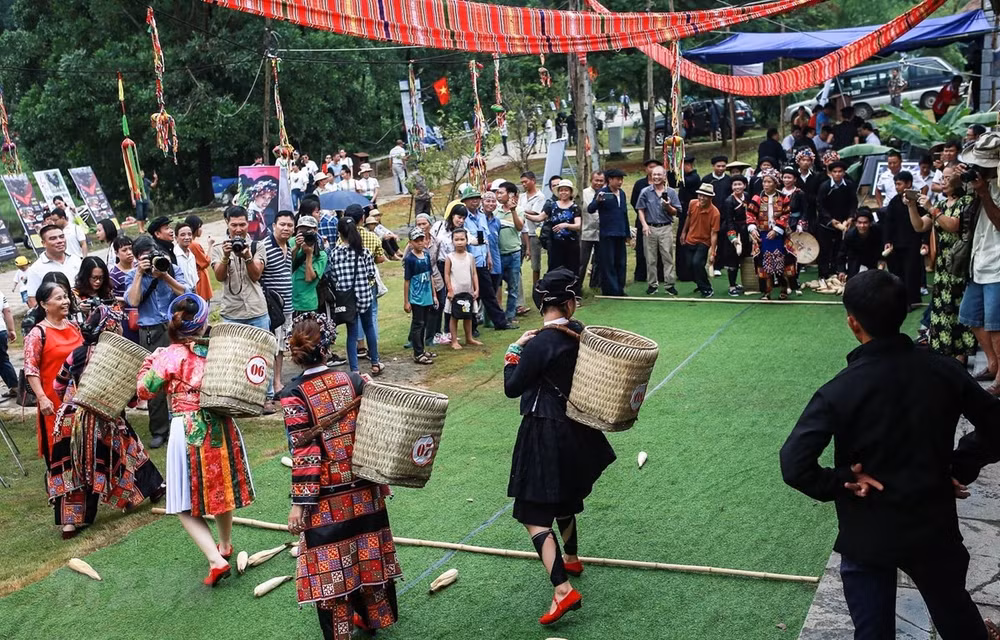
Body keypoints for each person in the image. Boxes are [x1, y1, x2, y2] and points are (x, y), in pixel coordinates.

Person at [780, 269, 1000, 640]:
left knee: (872, 631)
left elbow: (794, 464)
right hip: (933, 523)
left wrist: (842, 480)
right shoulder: (944, 369)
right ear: (904, 313)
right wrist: (960, 464)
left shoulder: (840, 390)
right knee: (957, 617)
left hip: (867, 533)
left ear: (853, 323)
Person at [503, 267, 615, 626]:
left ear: (542, 304)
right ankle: (572, 557)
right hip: (575, 430)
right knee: (563, 497)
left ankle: (563, 589)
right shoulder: (580, 335)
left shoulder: (538, 344)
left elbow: (512, 387)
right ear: (568, 303)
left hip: (543, 430)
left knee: (532, 514)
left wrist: (513, 350)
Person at [280, 315, 402, 640]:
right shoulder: (353, 381)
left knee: (330, 568)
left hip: (326, 499)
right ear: (328, 346)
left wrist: (298, 505)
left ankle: (341, 632)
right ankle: (373, 619)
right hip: (364, 487)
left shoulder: (294, 395)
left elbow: (306, 453)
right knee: (367, 553)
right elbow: (375, 428)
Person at [138, 294, 255, 586]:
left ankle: (216, 561)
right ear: (202, 324)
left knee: (182, 503)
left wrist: (147, 364)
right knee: (220, 490)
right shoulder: (217, 350)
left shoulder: (167, 356)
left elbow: (144, 391)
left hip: (186, 428)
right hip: (220, 424)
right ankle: (225, 546)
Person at [46, 306, 164, 538]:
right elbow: (131, 399)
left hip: (70, 420)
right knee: (128, 450)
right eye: (117, 324)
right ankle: (146, 491)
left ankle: (70, 524)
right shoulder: (121, 357)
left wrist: (72, 404)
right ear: (110, 328)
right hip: (102, 419)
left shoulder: (77, 354)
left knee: (71, 468)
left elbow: (59, 385)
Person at [23, 282, 85, 537]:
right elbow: (30, 369)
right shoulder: (37, 334)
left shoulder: (73, 326)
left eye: (66, 297)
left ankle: (88, 509)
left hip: (80, 403)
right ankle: (68, 519)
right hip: (54, 409)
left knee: (83, 454)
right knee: (62, 461)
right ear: (43, 304)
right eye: (58, 298)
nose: (65, 302)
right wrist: (42, 398)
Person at [124, 235, 190, 448]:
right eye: (145, 257)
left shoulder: (169, 267)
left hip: (174, 327)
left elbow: (186, 294)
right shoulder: (135, 275)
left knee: (182, 378)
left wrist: (164, 275)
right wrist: (139, 274)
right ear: (136, 259)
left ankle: (185, 426)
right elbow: (132, 301)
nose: (151, 259)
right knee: (154, 380)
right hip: (150, 330)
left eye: (153, 254)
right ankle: (160, 429)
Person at [907, 171, 976, 359]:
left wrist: (931, 208)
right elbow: (920, 226)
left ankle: (960, 355)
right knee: (941, 309)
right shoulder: (941, 204)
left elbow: (953, 225)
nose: (942, 181)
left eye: (946, 177)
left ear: (958, 179)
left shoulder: (966, 201)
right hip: (942, 266)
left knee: (957, 308)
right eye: (942, 178)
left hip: (959, 264)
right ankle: (945, 353)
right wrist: (912, 206)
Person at [956, 133, 1000, 394]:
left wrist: (984, 193)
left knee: (997, 327)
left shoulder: (993, 187)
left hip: (997, 265)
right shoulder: (979, 183)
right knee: (971, 316)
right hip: (978, 261)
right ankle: (993, 363)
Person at [329, 217, 383, 375]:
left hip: (347, 300)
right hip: (364, 296)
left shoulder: (334, 254)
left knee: (352, 333)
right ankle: (375, 363)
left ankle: (354, 370)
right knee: (369, 327)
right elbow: (371, 273)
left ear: (339, 233)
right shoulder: (364, 251)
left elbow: (333, 277)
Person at [462, 188, 513, 331]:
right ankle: (472, 327)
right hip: (470, 262)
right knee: (472, 295)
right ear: (465, 201)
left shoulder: (481, 216)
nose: (475, 200)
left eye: (477, 198)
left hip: (482, 260)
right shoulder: (463, 217)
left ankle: (500, 323)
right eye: (472, 198)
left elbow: (486, 239)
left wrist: (489, 256)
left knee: (488, 293)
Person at [211, 206, 270, 331]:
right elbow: (219, 277)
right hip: (231, 313)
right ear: (227, 223)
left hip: (257, 311)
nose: (238, 229)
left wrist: (248, 257)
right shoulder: (218, 248)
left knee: (261, 350)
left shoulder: (257, 246)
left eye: (242, 224)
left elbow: (255, 276)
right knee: (233, 351)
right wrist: (225, 257)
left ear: (248, 223)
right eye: (234, 225)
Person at [260, 210, 295, 393]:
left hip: (287, 306)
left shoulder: (289, 247)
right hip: (271, 308)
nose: (286, 228)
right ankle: (270, 387)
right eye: (282, 224)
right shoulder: (264, 246)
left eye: (290, 225)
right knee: (270, 347)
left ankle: (278, 382)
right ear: (274, 226)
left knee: (281, 347)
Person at [881, 171, 924, 307]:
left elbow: (926, 224)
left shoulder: (919, 200)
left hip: (913, 243)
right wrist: (887, 241)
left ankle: (912, 300)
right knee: (897, 272)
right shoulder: (894, 201)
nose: (896, 187)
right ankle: (899, 300)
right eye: (895, 184)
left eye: (899, 184)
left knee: (911, 272)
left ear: (909, 184)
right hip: (897, 243)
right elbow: (888, 223)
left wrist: (925, 242)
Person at [747, 169, 791, 300]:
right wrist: (752, 228)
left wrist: (777, 229)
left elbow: (786, 214)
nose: (765, 184)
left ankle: (784, 289)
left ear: (775, 183)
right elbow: (750, 214)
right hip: (762, 235)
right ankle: (766, 292)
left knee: (780, 262)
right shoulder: (757, 198)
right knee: (763, 264)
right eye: (764, 181)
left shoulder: (784, 198)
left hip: (779, 235)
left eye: (769, 181)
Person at [637, 166, 680, 296]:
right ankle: (652, 284)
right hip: (650, 227)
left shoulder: (671, 192)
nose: (656, 177)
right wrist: (644, 225)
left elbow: (676, 211)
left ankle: (669, 284)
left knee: (667, 257)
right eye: (654, 174)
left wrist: (668, 206)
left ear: (664, 176)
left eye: (659, 175)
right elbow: (640, 209)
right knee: (650, 258)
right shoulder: (645, 191)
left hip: (666, 227)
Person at [405, 214, 446, 347]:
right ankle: (413, 339)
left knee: (435, 309)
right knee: (418, 313)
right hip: (417, 281)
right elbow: (405, 263)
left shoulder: (436, 241)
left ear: (430, 224)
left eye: (424, 224)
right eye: (419, 224)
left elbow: (439, 258)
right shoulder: (411, 246)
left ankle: (430, 337)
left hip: (434, 278)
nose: (422, 227)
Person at [815, 159, 858, 286]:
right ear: (830, 173)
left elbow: (853, 203)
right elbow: (820, 205)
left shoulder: (849, 185)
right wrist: (830, 220)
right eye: (835, 172)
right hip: (826, 223)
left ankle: (837, 272)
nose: (838, 174)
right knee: (824, 250)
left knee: (840, 249)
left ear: (844, 173)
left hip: (844, 223)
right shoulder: (825, 186)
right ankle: (823, 274)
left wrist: (850, 218)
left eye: (840, 171)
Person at [588, 168, 630, 296]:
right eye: (617, 179)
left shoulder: (621, 193)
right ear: (610, 180)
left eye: (621, 180)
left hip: (620, 233)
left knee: (621, 262)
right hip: (607, 233)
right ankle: (611, 290)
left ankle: (620, 288)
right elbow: (590, 209)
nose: (620, 182)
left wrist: (627, 233)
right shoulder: (602, 193)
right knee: (608, 262)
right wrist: (597, 201)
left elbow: (624, 214)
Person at [25, 225, 83, 307]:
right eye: (53, 238)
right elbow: (32, 300)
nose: (59, 241)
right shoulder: (36, 269)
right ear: (43, 243)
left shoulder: (75, 259)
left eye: (61, 237)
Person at [403, 227, 437, 365]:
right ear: (411, 242)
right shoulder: (410, 259)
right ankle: (418, 353)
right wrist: (406, 301)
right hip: (416, 297)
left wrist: (434, 294)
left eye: (422, 240)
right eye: (416, 240)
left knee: (424, 323)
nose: (420, 243)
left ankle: (422, 349)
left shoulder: (427, 255)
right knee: (418, 324)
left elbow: (430, 275)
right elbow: (407, 281)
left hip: (427, 294)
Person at [681, 183, 720, 298]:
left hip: (703, 242)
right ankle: (700, 282)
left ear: (711, 198)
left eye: (705, 196)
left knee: (697, 263)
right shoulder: (692, 203)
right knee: (689, 266)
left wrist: (713, 252)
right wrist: (683, 232)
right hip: (690, 239)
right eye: (700, 195)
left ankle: (707, 288)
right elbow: (688, 217)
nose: (701, 198)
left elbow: (714, 234)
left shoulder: (715, 213)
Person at [444, 227, 481, 350]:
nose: (459, 242)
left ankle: (469, 338)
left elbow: (474, 273)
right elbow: (447, 274)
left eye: (462, 239)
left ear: (466, 240)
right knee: (454, 316)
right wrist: (450, 289)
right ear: (452, 241)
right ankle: (454, 340)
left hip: (468, 291)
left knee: (468, 315)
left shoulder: (470, 257)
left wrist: (476, 289)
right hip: (455, 293)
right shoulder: (450, 257)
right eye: (456, 239)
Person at [495, 182, 526, 323]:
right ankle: (497, 315)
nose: (498, 195)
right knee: (496, 285)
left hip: (514, 253)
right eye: (497, 193)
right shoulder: (495, 211)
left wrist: (513, 211)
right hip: (498, 254)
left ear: (510, 194)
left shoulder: (519, 210)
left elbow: (519, 227)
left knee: (513, 286)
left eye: (501, 192)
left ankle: (510, 315)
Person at [630, 159, 661, 283]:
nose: (652, 170)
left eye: (655, 167)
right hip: (643, 219)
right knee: (642, 247)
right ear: (646, 169)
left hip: (659, 220)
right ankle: (641, 275)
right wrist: (643, 212)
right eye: (650, 167)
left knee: (659, 247)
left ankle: (660, 274)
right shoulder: (639, 184)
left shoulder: (664, 183)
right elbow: (634, 201)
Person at [543, 179, 582, 279]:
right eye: (561, 190)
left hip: (571, 244)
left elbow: (578, 226)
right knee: (554, 268)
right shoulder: (552, 206)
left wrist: (565, 225)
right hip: (555, 244)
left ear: (570, 192)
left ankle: (572, 290)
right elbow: (540, 217)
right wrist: (522, 214)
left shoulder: (575, 207)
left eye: (566, 190)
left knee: (572, 268)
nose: (563, 192)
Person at [719, 175, 750, 297]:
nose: (737, 187)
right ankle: (732, 286)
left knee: (745, 257)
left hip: (746, 229)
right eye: (735, 185)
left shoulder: (747, 196)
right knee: (733, 259)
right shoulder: (728, 201)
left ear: (744, 186)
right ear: (732, 187)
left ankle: (747, 282)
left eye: (740, 184)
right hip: (733, 230)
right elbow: (729, 221)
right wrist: (733, 238)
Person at [291, 214, 327, 317]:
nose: (305, 234)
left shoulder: (321, 254)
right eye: (302, 231)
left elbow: (309, 278)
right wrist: (296, 247)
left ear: (315, 231)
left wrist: (309, 255)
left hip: (307, 303)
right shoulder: (292, 242)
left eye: (308, 230)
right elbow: (285, 264)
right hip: (289, 302)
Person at [518, 171, 547, 290]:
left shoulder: (540, 196)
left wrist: (520, 211)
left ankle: (536, 287)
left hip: (534, 233)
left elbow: (536, 212)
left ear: (533, 181)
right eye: (522, 182)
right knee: (517, 262)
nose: (524, 184)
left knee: (535, 263)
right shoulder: (522, 196)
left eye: (526, 181)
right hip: (522, 232)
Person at [837, 208, 882, 280]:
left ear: (870, 223)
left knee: (874, 278)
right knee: (852, 278)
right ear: (856, 223)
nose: (862, 226)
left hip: (872, 255)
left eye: (865, 223)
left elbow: (881, 246)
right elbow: (842, 253)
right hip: (855, 255)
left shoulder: (877, 231)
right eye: (860, 223)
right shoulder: (849, 235)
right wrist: (841, 270)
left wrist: (881, 260)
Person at [579, 171, 604, 292]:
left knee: (599, 260)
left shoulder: (606, 193)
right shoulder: (583, 193)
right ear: (591, 180)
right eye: (596, 180)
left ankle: (596, 285)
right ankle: (577, 287)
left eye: (601, 180)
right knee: (582, 262)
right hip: (586, 231)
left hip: (601, 232)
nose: (598, 183)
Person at [173, 221, 198, 292]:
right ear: (176, 238)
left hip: (194, 292)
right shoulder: (174, 255)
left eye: (189, 234)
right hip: (182, 294)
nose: (187, 237)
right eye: (183, 235)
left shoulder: (191, 255)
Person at [132, 170, 158, 234]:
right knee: (140, 214)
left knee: (144, 215)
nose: (142, 174)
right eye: (141, 173)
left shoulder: (146, 180)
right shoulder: (136, 182)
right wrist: (133, 199)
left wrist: (156, 179)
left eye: (143, 173)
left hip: (146, 200)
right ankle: (140, 229)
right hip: (139, 200)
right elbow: (132, 190)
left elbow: (153, 185)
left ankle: (142, 228)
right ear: (138, 174)